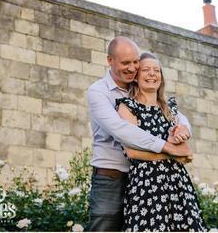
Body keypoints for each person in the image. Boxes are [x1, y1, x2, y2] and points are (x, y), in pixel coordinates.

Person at [87, 36, 193, 231]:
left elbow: (176, 114)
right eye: (125, 63)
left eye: (135, 62)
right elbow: (123, 131)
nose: (132, 68)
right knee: (105, 227)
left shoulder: (142, 88)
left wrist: (184, 128)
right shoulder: (98, 92)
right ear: (110, 60)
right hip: (113, 176)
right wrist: (170, 150)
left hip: (147, 179)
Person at [116, 51, 206, 232]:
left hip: (177, 184)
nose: (152, 74)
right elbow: (133, 152)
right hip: (146, 185)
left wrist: (180, 144)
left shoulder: (170, 108)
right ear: (135, 77)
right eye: (146, 70)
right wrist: (173, 152)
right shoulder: (126, 107)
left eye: (156, 70)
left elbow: (185, 152)